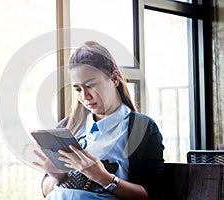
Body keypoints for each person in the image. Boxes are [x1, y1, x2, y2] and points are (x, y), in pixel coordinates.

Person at [33, 41, 164, 200]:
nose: (85, 96)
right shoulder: (67, 126)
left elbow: (150, 195)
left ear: (114, 78)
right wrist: (57, 176)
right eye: (77, 89)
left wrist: (104, 178)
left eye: (91, 85)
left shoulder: (141, 127)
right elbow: (47, 191)